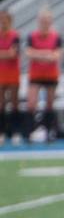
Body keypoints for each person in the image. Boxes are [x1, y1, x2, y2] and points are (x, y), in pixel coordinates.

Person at [25, 9, 62, 143]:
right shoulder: (32, 36)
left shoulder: (56, 37)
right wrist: (46, 54)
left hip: (51, 75)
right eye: (42, 21)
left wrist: (39, 54)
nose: (45, 23)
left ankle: (49, 132)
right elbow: (29, 53)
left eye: (47, 21)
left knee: (50, 104)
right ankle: (30, 131)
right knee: (31, 103)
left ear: (50, 22)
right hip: (36, 75)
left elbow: (57, 55)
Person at [0, 10, 21, 146]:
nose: (3, 22)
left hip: (12, 72)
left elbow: (14, 53)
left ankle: (15, 132)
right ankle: (2, 132)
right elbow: (9, 53)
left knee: (14, 102)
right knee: (1, 103)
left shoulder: (15, 36)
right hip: (1, 72)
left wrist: (6, 54)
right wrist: (7, 53)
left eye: (5, 20)